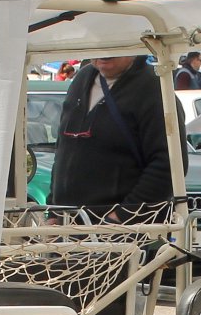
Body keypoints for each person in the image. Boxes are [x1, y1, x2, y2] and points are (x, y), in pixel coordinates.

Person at [50, 55, 188, 224]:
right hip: (68, 224)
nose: (104, 53)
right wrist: (54, 212)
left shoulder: (153, 88)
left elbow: (169, 164)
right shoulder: (82, 78)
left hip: (123, 232)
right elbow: (63, 149)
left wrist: (122, 216)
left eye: (110, 46)